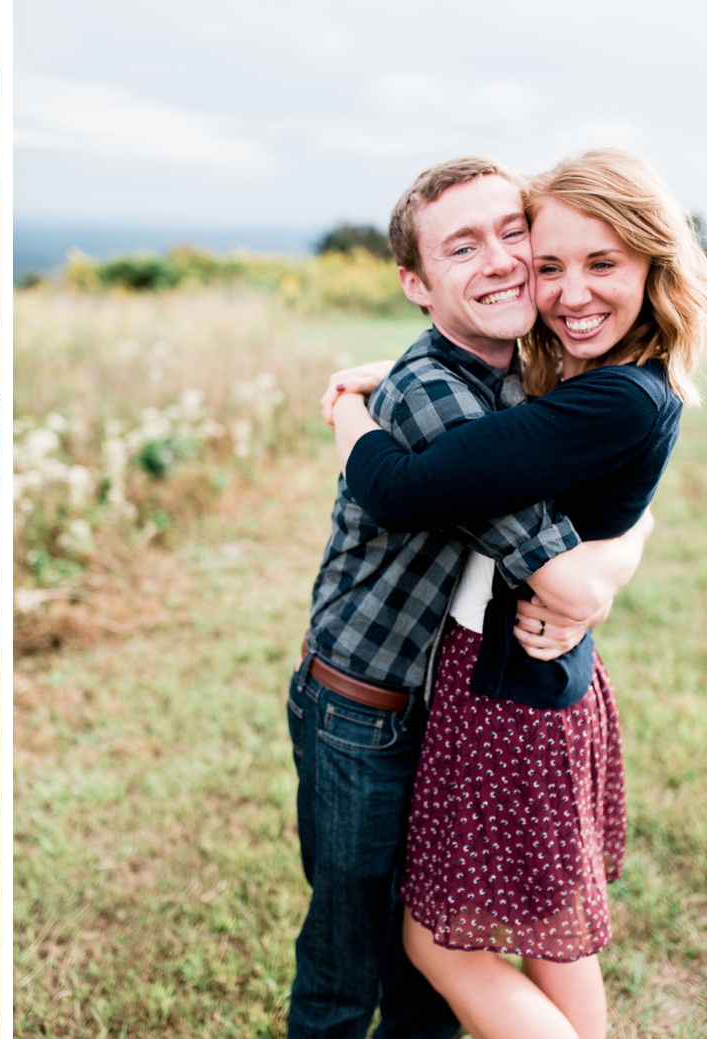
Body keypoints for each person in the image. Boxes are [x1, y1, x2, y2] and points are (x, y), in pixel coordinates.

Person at [327, 148, 706, 1039]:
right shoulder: (607, 379)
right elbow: (502, 415)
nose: (572, 293)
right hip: (540, 678)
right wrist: (615, 562)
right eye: (551, 266)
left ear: (656, 261)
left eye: (603, 264)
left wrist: (348, 404)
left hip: (507, 692)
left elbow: (403, 488)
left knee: (441, 946)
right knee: (552, 934)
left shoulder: (614, 398)